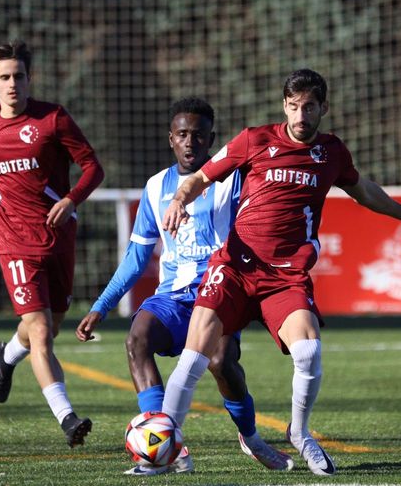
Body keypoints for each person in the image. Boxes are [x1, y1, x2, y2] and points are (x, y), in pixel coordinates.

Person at [160, 69, 401, 476]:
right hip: (235, 267)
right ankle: (165, 442)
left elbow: (364, 190)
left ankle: (300, 432)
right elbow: (202, 177)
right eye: (294, 106)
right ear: (284, 106)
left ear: (323, 109)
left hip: (285, 275)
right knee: (194, 358)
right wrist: (177, 199)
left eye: (309, 106)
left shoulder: (331, 153)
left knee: (309, 351)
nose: (300, 115)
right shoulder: (255, 139)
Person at [75, 98, 293, 475]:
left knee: (222, 362)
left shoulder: (235, 180)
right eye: (182, 134)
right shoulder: (156, 187)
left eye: (198, 135)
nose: (190, 141)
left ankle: (251, 437)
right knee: (137, 340)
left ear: (211, 140)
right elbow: (137, 256)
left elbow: (261, 236)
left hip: (222, 292)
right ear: (170, 139)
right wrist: (102, 304)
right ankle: (166, 447)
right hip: (173, 298)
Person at [0, 40, 104, 448]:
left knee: (51, 326)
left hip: (57, 237)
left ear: (30, 79)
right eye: (5, 77)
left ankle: (6, 355)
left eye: (19, 76)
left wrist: (69, 200)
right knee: (41, 331)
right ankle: (67, 418)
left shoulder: (53, 119)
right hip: (11, 239)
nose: (13, 84)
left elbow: (93, 168)